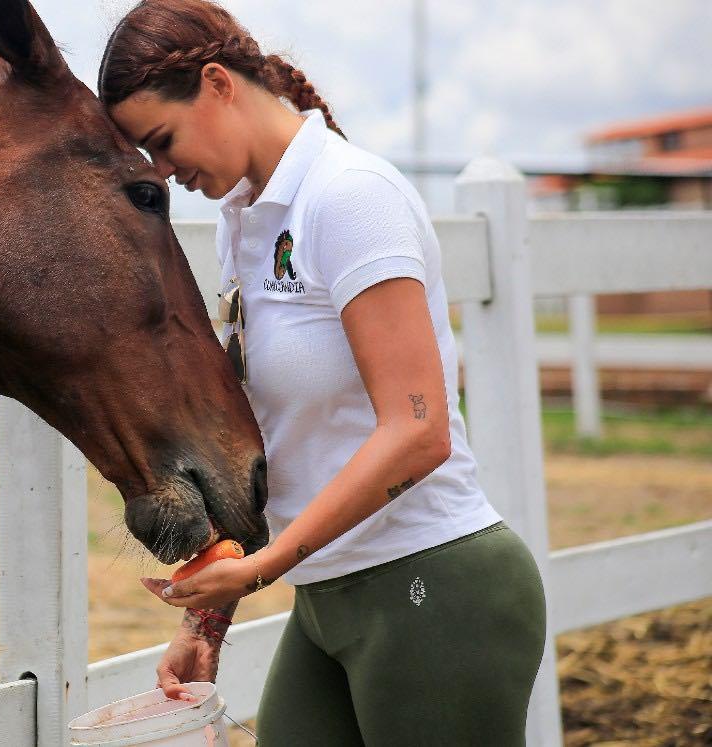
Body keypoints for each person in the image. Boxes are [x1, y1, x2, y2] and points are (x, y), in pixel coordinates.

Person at [97, 1, 548, 744]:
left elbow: (420, 430)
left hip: (432, 585)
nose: (167, 173)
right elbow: (271, 435)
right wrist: (208, 622)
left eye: (164, 143)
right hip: (327, 597)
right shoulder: (248, 220)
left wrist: (264, 564)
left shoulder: (350, 198)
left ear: (217, 84)